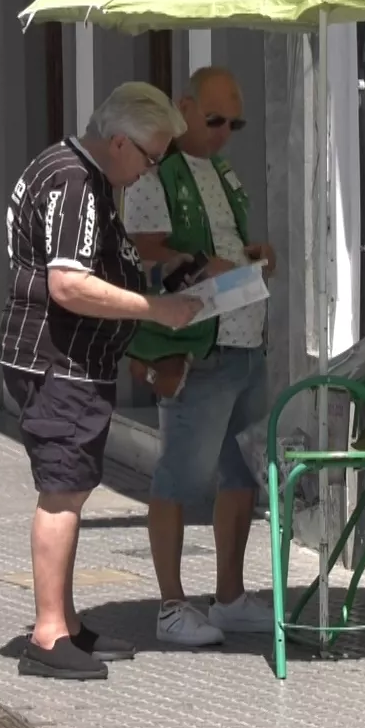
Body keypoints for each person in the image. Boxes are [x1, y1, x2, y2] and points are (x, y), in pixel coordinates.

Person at [0, 81, 203, 680]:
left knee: (73, 487)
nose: (149, 172)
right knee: (62, 492)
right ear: (119, 142)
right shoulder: (76, 183)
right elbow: (68, 283)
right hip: (58, 361)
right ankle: (48, 635)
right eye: (151, 158)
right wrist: (155, 309)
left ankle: (67, 621)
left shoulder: (68, 169)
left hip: (64, 359)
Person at [122, 67, 278, 645]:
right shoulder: (153, 173)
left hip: (245, 341)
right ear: (184, 108)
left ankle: (229, 596)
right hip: (197, 348)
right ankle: (171, 605)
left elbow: (226, 243)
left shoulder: (223, 172)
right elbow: (141, 252)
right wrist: (197, 263)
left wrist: (254, 254)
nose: (224, 133)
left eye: (235, 124)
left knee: (241, 474)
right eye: (214, 120)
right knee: (180, 477)